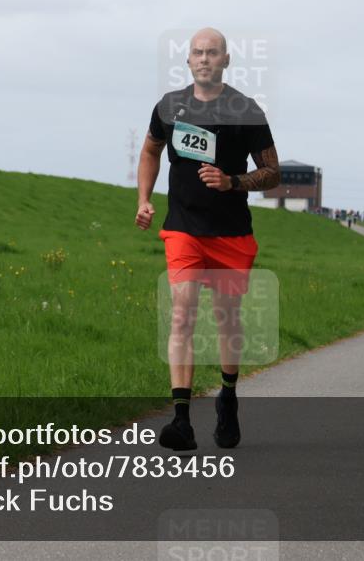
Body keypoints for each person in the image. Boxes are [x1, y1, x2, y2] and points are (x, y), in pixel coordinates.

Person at [136, 27, 280, 451]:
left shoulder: (246, 110)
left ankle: (228, 397)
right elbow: (150, 150)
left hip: (231, 233)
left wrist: (232, 180)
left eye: (212, 53)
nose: (204, 59)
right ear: (188, 61)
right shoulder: (169, 106)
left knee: (226, 318)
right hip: (183, 227)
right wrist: (144, 199)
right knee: (181, 314)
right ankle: (180, 420)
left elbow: (273, 172)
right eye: (197, 52)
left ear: (226, 60)